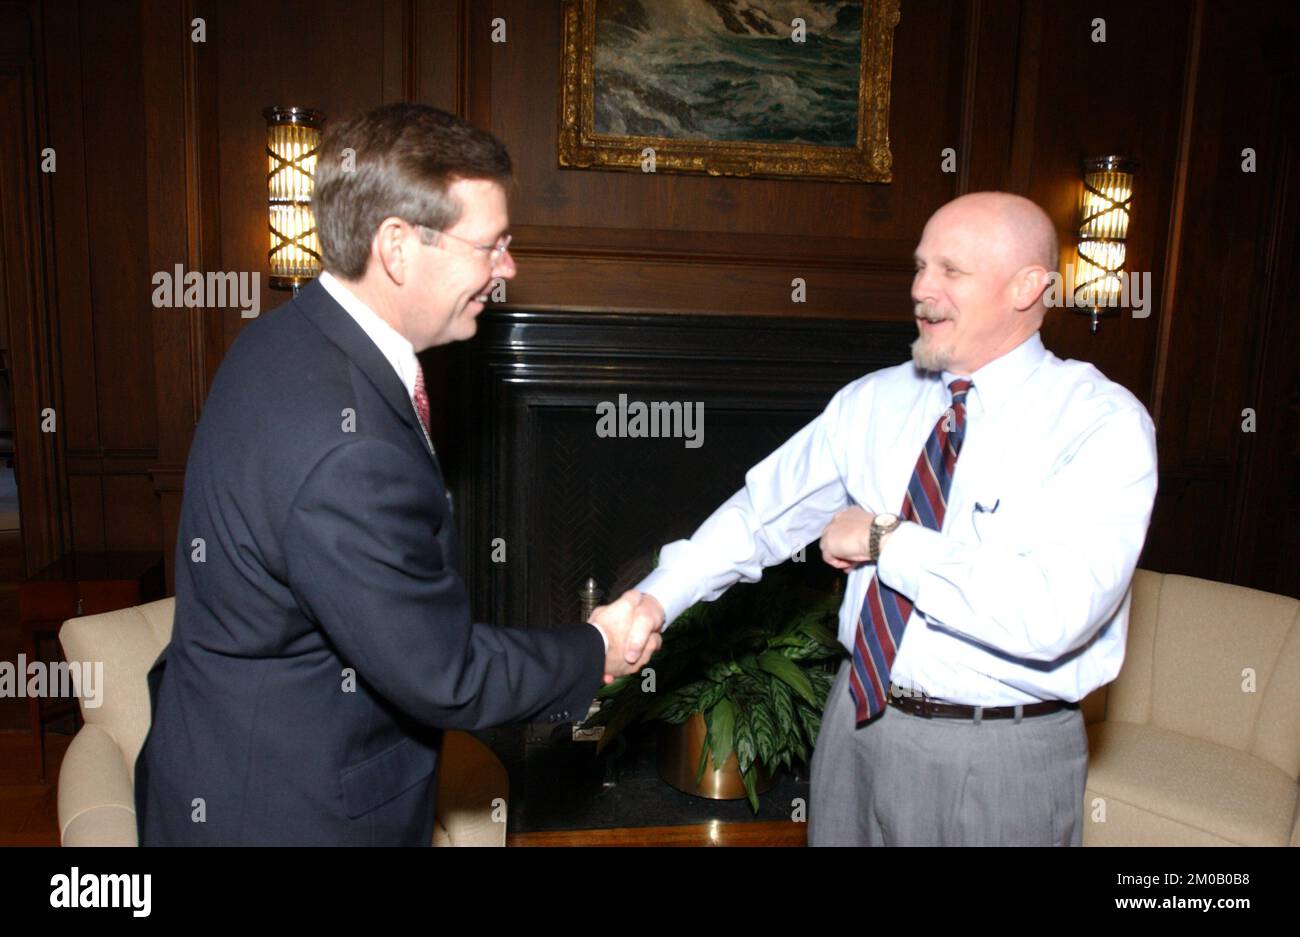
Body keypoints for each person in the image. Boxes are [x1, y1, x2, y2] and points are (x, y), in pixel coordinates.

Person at [135, 103, 658, 846]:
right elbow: (442, 672)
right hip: (287, 813)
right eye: (493, 245)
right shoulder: (348, 447)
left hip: (226, 756)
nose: (508, 267)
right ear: (399, 248)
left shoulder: (284, 336)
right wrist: (594, 648)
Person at [593, 192, 1158, 846]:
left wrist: (886, 539)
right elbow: (758, 514)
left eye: (951, 270)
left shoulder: (1100, 424)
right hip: (854, 725)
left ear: (1028, 286)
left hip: (999, 752)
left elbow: (1053, 613)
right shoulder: (874, 401)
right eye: (919, 266)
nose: (921, 288)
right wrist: (652, 601)